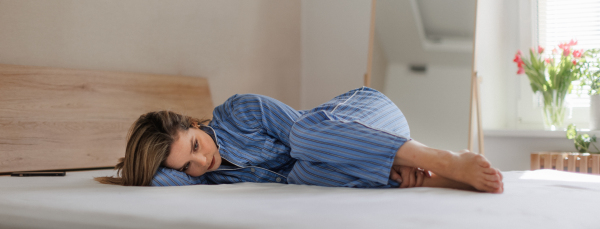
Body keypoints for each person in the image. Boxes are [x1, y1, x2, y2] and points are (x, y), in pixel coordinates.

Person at [95, 87, 503, 193]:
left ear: (193, 123)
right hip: (350, 159)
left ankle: (441, 159)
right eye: (187, 166)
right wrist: (139, 168)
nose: (200, 164)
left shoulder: (240, 111)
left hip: (367, 116)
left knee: (304, 141)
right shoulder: (205, 177)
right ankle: (425, 180)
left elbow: (310, 132)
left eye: (196, 148)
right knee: (303, 176)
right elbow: (157, 183)